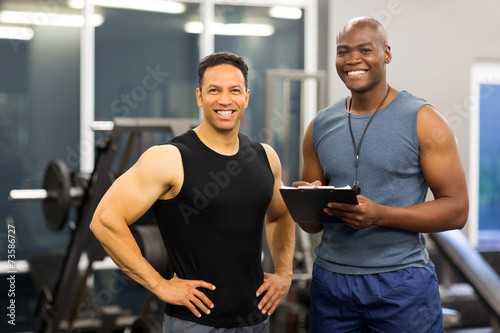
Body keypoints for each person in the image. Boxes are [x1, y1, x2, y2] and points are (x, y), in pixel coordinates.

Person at [90, 51, 296, 332]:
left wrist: (285, 273)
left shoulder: (266, 157)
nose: (225, 100)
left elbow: (280, 215)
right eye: (214, 91)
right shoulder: (169, 158)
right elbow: (104, 221)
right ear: (200, 97)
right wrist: (159, 285)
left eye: (234, 90)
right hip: (194, 324)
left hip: (256, 320)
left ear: (246, 96)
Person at [294, 17, 469, 332]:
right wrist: (309, 199)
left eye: (365, 49)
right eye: (343, 51)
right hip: (331, 282)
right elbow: (311, 225)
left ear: (386, 54)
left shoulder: (424, 120)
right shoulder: (319, 125)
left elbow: (456, 210)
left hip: (401, 284)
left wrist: (379, 215)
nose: (352, 60)